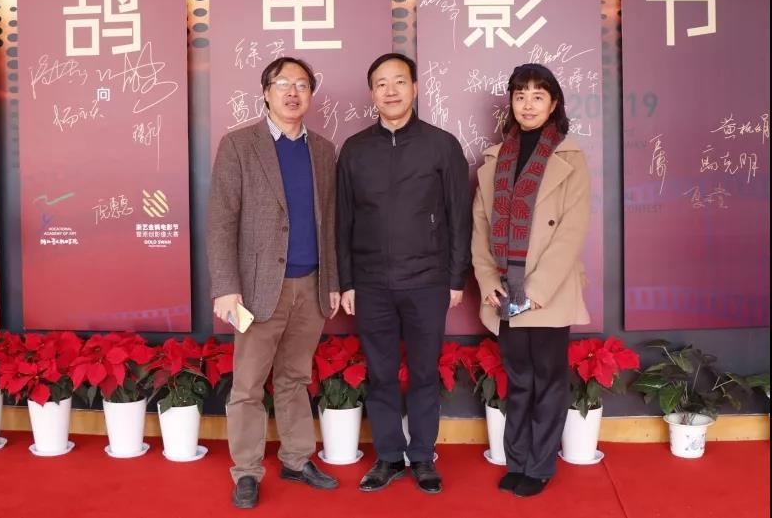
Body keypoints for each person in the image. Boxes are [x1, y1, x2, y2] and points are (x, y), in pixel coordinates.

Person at [208, 57, 341, 510]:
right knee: (248, 385)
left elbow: (329, 222)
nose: (292, 92)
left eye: (302, 85)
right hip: (258, 289)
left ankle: (297, 459)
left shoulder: (322, 149)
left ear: (311, 94)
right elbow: (221, 221)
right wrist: (226, 287)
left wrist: (332, 281)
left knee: (295, 378)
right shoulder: (239, 145)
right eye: (283, 83)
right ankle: (246, 470)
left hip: (311, 285)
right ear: (265, 92)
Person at [336, 53, 471, 494]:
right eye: (381, 83)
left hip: (428, 281)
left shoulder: (441, 145)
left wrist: (455, 278)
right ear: (371, 93)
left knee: (425, 372)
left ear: (415, 87)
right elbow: (343, 220)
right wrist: (347, 281)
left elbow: (458, 216)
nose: (390, 91)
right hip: (370, 282)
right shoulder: (354, 149)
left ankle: (423, 457)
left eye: (399, 81)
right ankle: (389, 456)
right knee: (380, 372)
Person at [471, 63, 591, 497]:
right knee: (519, 379)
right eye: (520, 95)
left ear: (553, 103)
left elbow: (571, 231)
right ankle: (517, 459)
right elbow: (480, 226)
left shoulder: (570, 158)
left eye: (538, 96)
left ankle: (539, 466)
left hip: (547, 291)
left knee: (548, 380)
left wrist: (537, 292)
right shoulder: (495, 158)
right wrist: (488, 280)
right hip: (505, 288)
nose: (527, 104)